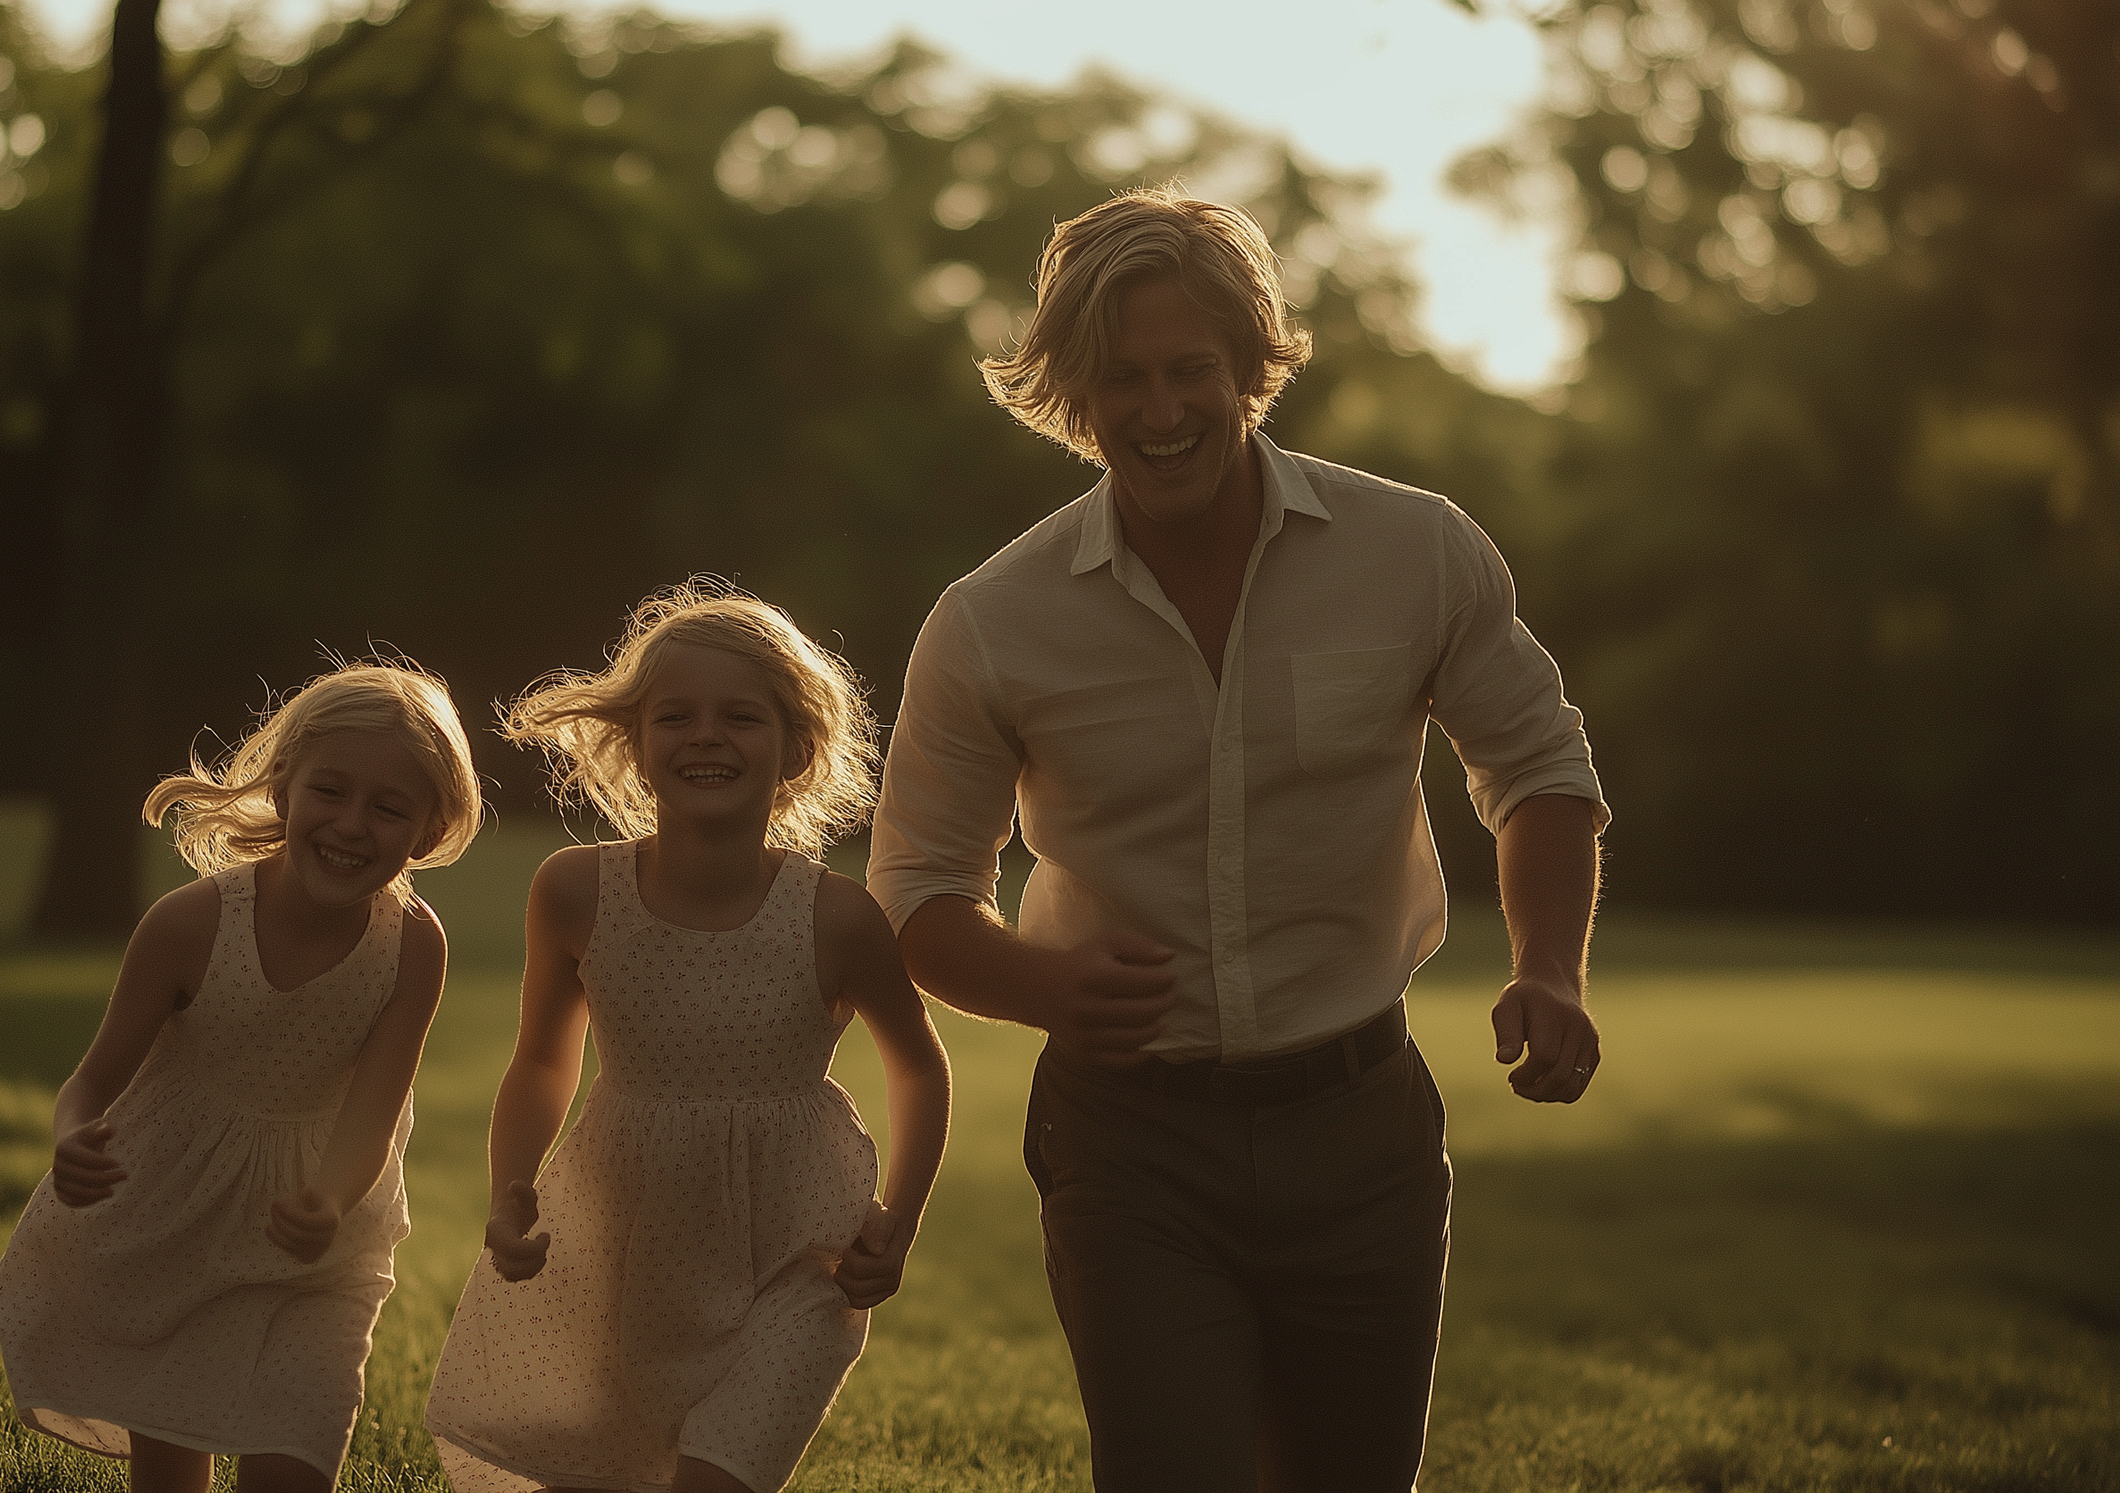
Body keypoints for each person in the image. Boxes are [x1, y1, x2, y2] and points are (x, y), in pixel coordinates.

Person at [866, 187, 1610, 1492]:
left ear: (1256, 363)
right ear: (1070, 392)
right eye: (1121, 379)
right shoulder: (993, 621)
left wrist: (1550, 967)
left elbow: (1538, 767)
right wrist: (1047, 987)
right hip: (1131, 1143)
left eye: (1190, 371)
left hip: (1362, 1124)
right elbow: (919, 892)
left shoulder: (1415, 550)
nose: (1159, 412)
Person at [426, 582, 952, 1493]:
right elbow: (543, 1061)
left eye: (741, 716)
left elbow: (918, 1066)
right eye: (675, 716)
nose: (706, 735)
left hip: (796, 1262)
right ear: (634, 745)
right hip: (625, 1251)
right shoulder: (576, 893)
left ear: (796, 748)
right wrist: (511, 1188)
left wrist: (896, 1222)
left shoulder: (835, 919)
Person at [0, 658, 485, 1493]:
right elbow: (90, 1082)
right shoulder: (191, 925)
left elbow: (375, 1111)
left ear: (428, 833)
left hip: (321, 1239)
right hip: (174, 1219)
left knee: (298, 1452)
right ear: (283, 790)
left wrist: (328, 1198)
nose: (353, 825)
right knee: (173, 1471)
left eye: (389, 807)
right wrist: (71, 1138)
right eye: (331, 792)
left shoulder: (412, 949)